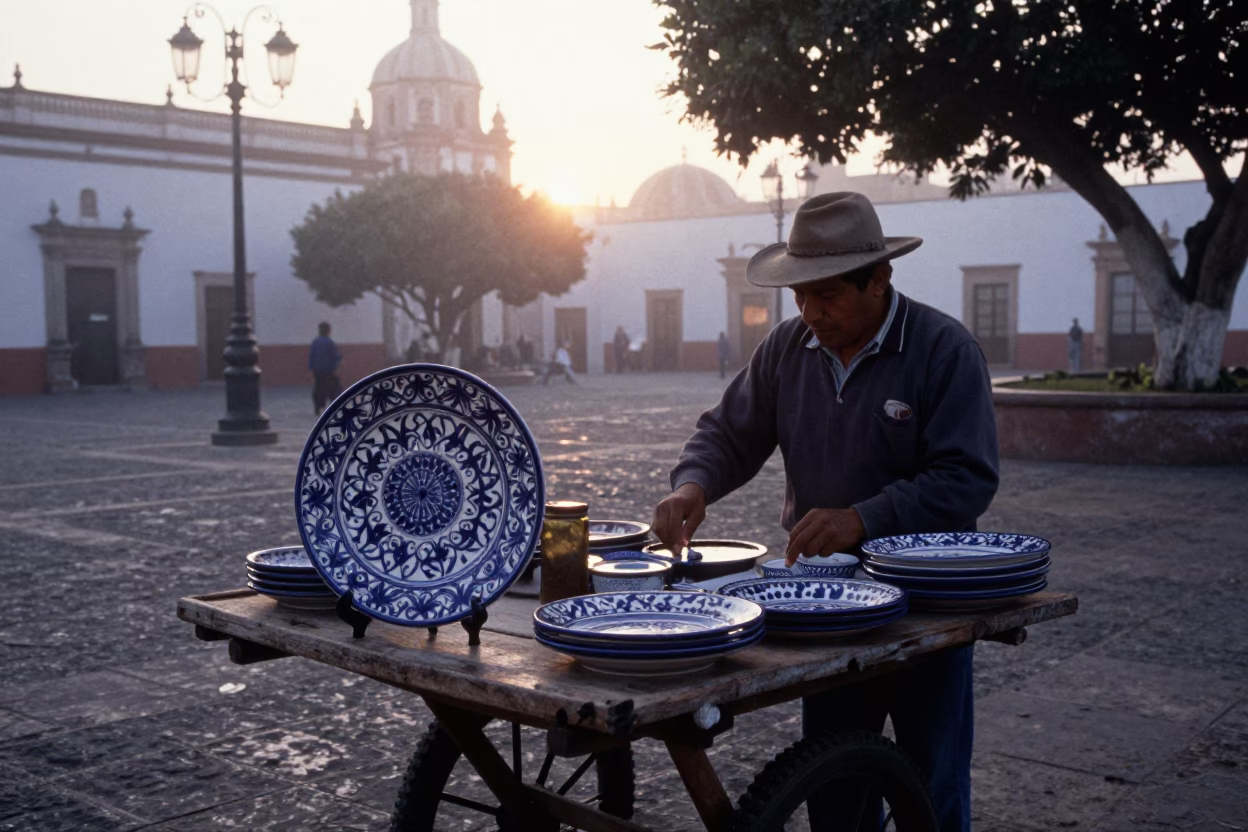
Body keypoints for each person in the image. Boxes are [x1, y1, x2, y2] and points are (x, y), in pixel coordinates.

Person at [652, 192, 999, 832]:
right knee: (836, 795)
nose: (811, 312)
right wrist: (692, 486)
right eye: (800, 297)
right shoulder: (788, 349)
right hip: (826, 610)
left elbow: (967, 479)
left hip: (927, 606)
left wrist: (862, 517)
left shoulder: (943, 350)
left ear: (880, 280)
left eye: (828, 296)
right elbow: (729, 434)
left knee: (934, 789)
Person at [308, 321, 343, 416]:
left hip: (318, 370)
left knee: (319, 388)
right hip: (329, 370)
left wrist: (311, 368)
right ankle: (334, 407)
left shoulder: (315, 342)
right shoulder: (330, 342)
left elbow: (312, 356)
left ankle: (318, 407)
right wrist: (337, 366)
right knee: (334, 389)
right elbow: (335, 356)